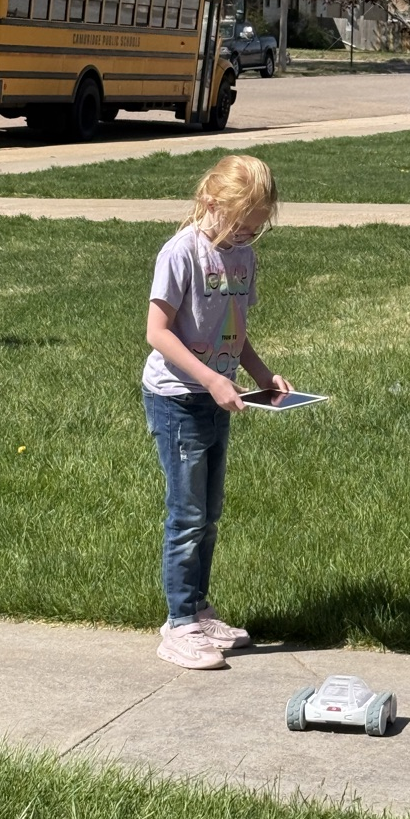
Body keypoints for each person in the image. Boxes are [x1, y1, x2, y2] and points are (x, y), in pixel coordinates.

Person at [142, 154, 294, 670]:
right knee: (186, 516)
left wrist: (262, 376)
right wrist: (209, 379)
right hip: (178, 398)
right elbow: (157, 332)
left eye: (255, 230)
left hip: (217, 395)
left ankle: (200, 608)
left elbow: (236, 330)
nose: (246, 237)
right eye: (240, 226)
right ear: (211, 203)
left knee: (209, 515)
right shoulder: (181, 253)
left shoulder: (243, 257)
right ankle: (178, 624)